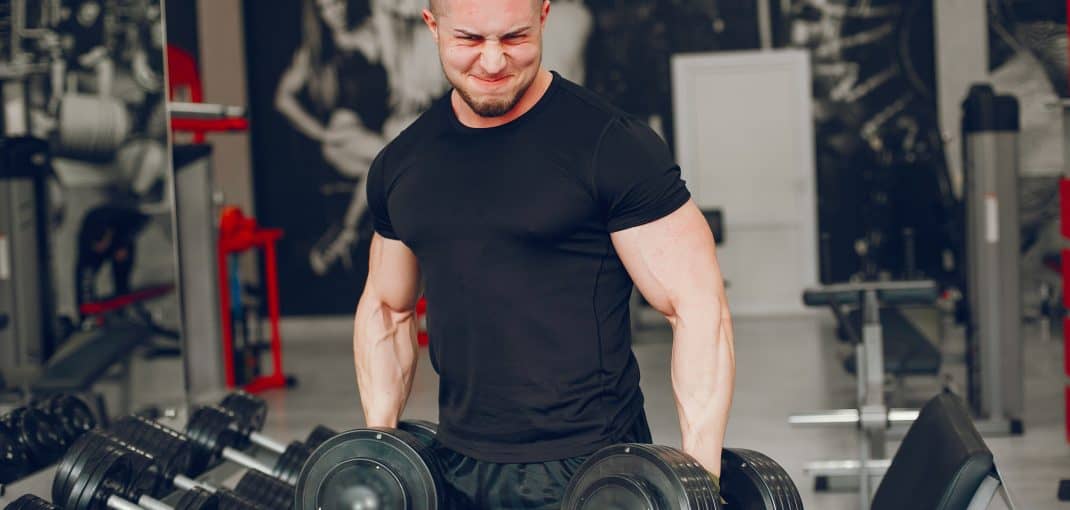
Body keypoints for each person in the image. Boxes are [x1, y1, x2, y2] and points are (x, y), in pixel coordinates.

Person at [353, 0, 735, 508]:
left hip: (594, 468)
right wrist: (380, 455)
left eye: (514, 38)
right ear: (432, 26)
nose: (492, 62)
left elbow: (697, 307)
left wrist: (700, 480)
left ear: (544, 18)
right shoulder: (402, 162)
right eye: (470, 39)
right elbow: (387, 307)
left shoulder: (613, 146)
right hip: (458, 466)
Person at [275, 0, 390, 274]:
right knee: (393, 159)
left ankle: (343, 234)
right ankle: (349, 233)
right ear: (317, 13)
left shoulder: (376, 29)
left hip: (377, 135)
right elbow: (283, 99)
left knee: (382, 171)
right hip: (344, 138)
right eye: (325, 7)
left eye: (338, 4)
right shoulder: (317, 52)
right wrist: (321, 133)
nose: (334, 12)